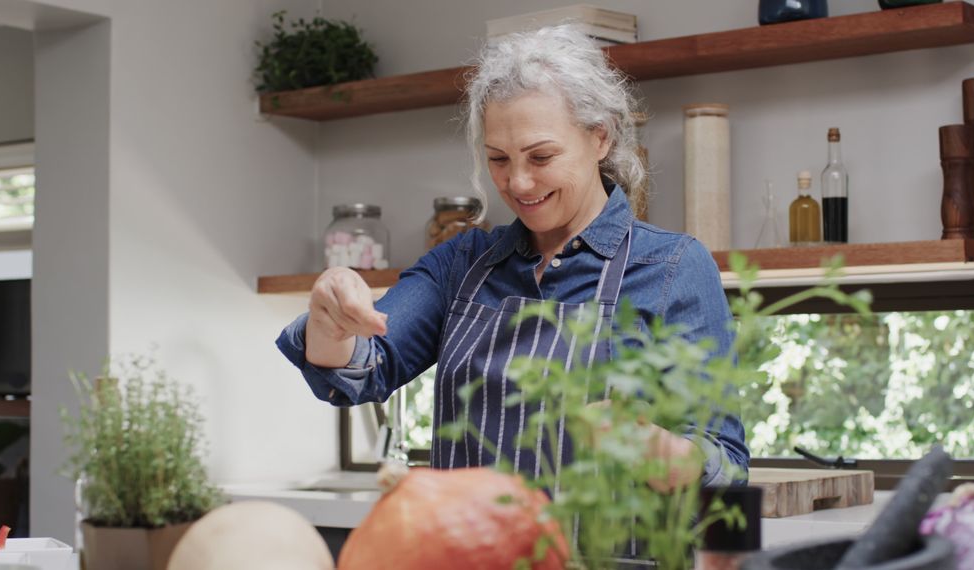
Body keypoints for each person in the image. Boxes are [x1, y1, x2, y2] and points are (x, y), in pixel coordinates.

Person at [276, 24, 748, 490]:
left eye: (540, 157)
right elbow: (360, 370)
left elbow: (726, 463)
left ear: (599, 137)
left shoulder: (672, 267)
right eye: (498, 159)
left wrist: (657, 451)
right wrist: (329, 318)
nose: (518, 183)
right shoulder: (461, 263)